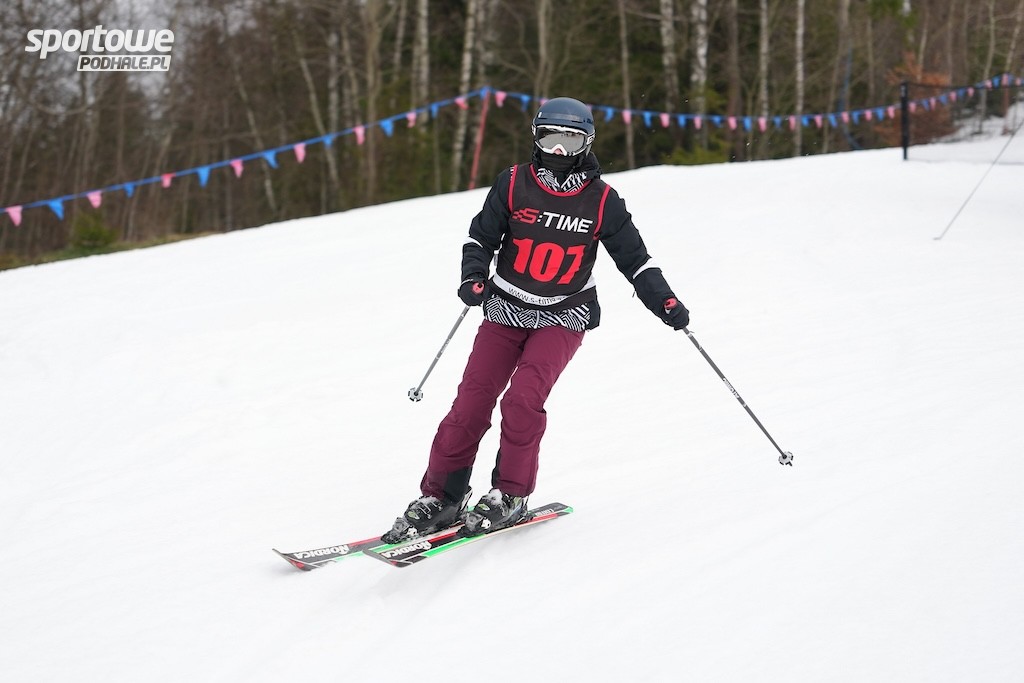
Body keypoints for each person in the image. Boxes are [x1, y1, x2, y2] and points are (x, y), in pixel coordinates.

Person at [381, 96, 689, 543]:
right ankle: (442, 497)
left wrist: (665, 301)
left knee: (523, 399)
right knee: (471, 402)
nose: (559, 150)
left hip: (564, 313)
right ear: (535, 138)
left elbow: (636, 261)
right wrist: (473, 276)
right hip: (506, 307)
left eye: (570, 140)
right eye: (550, 138)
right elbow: (480, 238)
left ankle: (510, 494)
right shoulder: (512, 183)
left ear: (587, 144)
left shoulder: (603, 201)